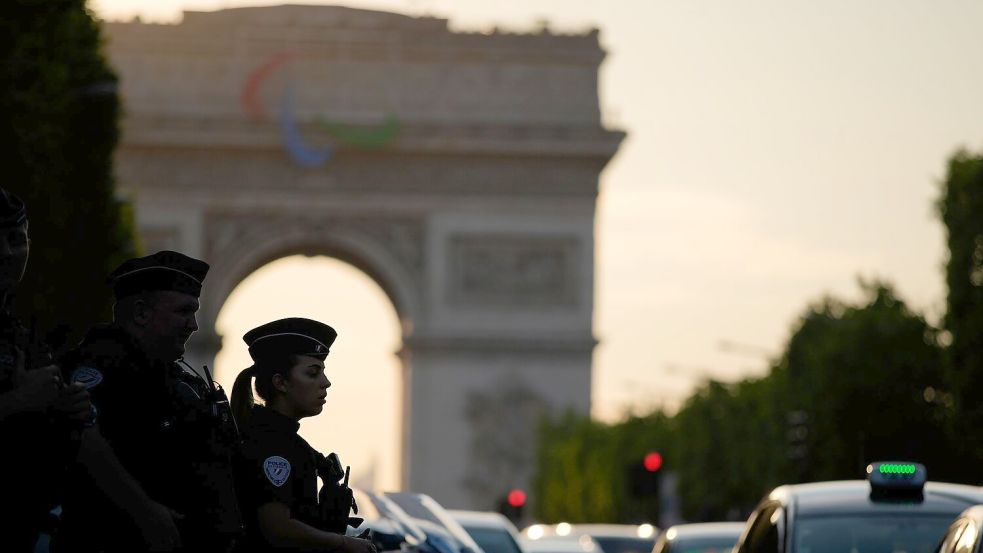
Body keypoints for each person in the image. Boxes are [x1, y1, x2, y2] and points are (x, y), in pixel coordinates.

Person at [55, 250, 242, 552]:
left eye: (194, 312)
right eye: (183, 311)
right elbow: (84, 443)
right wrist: (144, 511)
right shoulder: (100, 367)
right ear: (141, 313)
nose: (193, 325)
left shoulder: (176, 378)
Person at [231, 317, 376, 553]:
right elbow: (277, 528)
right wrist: (345, 544)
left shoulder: (285, 442)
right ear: (281, 382)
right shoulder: (272, 444)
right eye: (313, 373)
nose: (326, 383)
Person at [0, 188, 91, 552]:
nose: (6, 253)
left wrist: (68, 411)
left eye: (15, 239)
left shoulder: (23, 333)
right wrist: (18, 401)